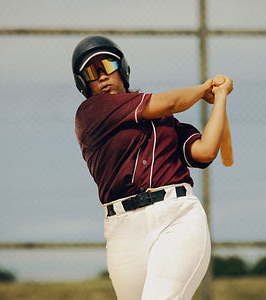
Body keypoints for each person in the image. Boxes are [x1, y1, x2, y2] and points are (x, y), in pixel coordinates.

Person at [72, 36, 233, 300]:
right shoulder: (90, 113)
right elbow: (169, 102)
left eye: (108, 66)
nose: (102, 77)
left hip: (176, 216)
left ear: (122, 70)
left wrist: (221, 97)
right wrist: (205, 90)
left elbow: (205, 152)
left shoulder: (165, 121)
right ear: (83, 85)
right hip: (123, 228)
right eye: (91, 72)